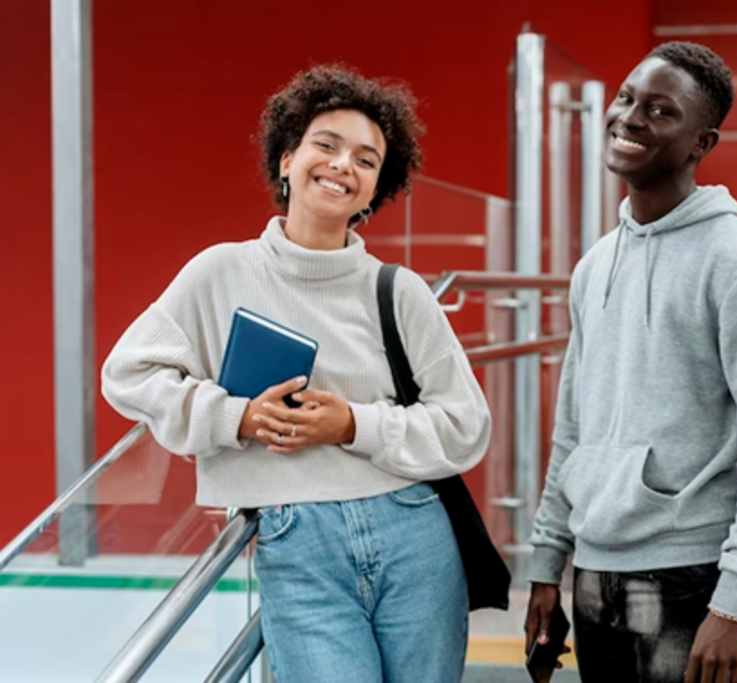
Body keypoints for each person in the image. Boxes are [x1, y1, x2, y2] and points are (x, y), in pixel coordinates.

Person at [101, 65, 491, 683]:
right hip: (295, 538)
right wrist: (238, 417)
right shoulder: (219, 272)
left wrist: (352, 425)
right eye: (326, 146)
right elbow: (128, 373)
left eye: (366, 160)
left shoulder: (401, 291)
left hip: (414, 529)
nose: (343, 166)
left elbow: (466, 427)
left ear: (374, 191)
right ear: (286, 159)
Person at [524, 42, 737, 683]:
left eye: (660, 111)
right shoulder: (595, 264)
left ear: (699, 143)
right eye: (628, 99)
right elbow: (573, 425)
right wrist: (549, 560)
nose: (629, 118)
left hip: (691, 572)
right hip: (595, 568)